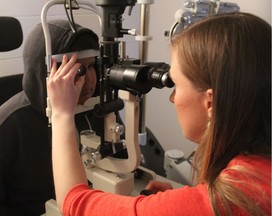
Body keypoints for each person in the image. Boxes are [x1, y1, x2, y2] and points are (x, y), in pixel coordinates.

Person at [47, 12, 271, 216]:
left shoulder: (224, 202)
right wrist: (185, 199)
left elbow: (74, 204)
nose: (172, 98)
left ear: (210, 102)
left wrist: (60, 114)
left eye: (176, 85)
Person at [0, 20, 100, 215]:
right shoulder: (2, 130)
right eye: (78, 70)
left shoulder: (94, 108)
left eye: (92, 67)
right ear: (46, 72)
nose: (89, 80)